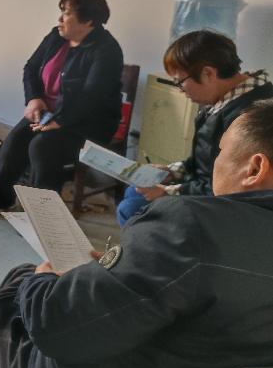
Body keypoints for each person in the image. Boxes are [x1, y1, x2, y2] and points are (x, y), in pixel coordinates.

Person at [0, 99, 273, 368]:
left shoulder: (192, 226)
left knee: (19, 285)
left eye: (220, 151)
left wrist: (41, 280)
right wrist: (125, 268)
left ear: (255, 168)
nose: (215, 162)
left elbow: (55, 326)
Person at [0, 0, 123, 215]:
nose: (59, 19)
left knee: (42, 147)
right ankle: (2, 200)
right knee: (15, 140)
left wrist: (61, 120)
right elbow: (30, 68)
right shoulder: (56, 37)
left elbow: (93, 95)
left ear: (87, 21)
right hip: (49, 112)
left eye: (66, 13)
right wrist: (34, 99)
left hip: (89, 122)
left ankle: (45, 217)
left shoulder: (107, 50)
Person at [116, 29, 272, 225]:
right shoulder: (225, 100)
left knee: (131, 209)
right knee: (133, 191)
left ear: (208, 73)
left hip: (224, 205)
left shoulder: (247, 116)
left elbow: (227, 186)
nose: (181, 90)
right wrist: (171, 171)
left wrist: (168, 192)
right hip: (202, 187)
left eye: (180, 82)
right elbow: (204, 161)